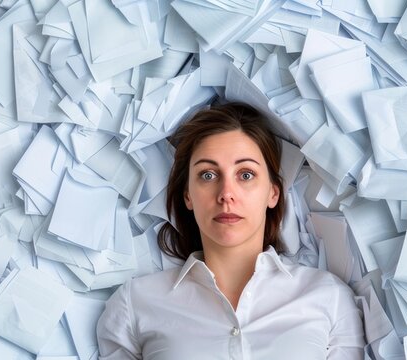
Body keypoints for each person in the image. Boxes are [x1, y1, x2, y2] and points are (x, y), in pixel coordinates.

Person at [96, 102, 365, 359]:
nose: (226, 193)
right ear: (188, 196)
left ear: (273, 193)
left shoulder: (329, 297)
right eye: (208, 175)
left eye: (245, 174)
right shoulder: (134, 304)